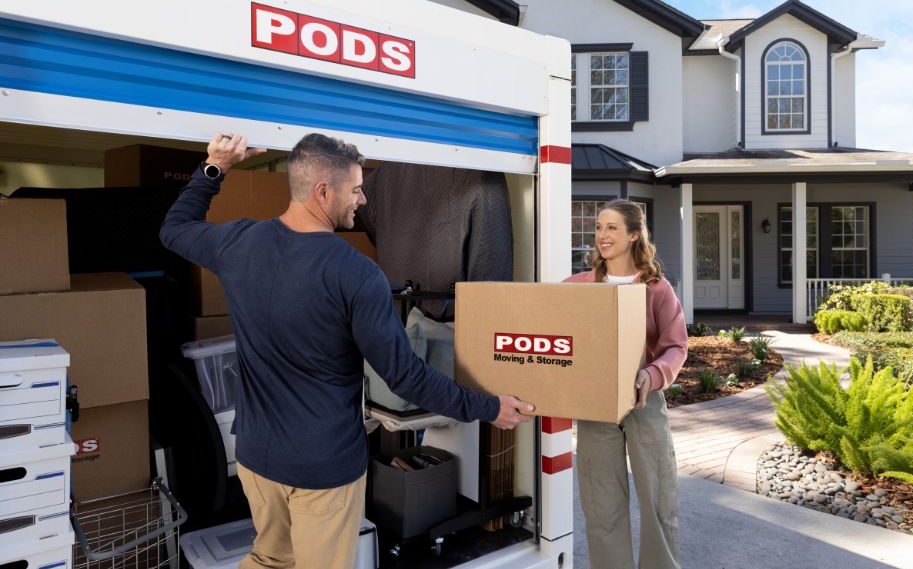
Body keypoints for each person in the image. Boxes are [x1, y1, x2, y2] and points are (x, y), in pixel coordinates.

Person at [160, 132, 534, 569]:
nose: (361, 201)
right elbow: (405, 376)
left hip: (257, 458)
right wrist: (488, 407)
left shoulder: (239, 243)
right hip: (323, 470)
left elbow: (175, 229)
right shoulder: (357, 274)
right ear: (324, 190)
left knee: (269, 558)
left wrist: (216, 166)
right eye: (356, 189)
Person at [563, 199, 687, 569]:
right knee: (602, 507)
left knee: (658, 502)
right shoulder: (575, 287)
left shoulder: (656, 288)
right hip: (597, 406)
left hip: (643, 404)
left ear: (634, 234)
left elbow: (677, 346)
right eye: (599, 227)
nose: (602, 235)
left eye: (612, 228)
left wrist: (651, 375)